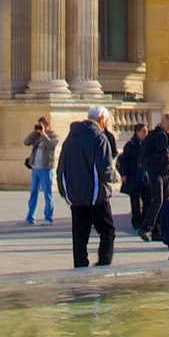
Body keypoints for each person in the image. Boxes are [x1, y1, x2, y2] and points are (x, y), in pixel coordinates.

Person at [58, 105, 117, 268]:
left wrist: (65, 192)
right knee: (107, 231)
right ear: (102, 120)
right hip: (96, 195)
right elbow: (104, 168)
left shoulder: (69, 139)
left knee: (80, 237)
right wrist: (114, 176)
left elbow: (61, 168)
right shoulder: (99, 138)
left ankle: (80, 267)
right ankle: (103, 264)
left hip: (75, 196)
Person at [22, 116, 59, 225]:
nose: (41, 127)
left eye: (43, 125)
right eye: (39, 124)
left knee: (47, 194)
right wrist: (34, 132)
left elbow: (52, 146)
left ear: (48, 126)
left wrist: (44, 134)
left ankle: (48, 217)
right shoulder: (37, 136)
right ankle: (30, 217)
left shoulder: (53, 136)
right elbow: (26, 142)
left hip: (46, 169)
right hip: (35, 168)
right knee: (33, 193)